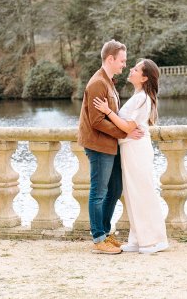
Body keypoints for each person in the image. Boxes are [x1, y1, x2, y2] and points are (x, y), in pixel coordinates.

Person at [93, 58, 169, 254]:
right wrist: (125, 130)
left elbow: (128, 126)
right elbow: (127, 128)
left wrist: (108, 111)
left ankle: (155, 241)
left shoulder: (143, 98)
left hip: (137, 149)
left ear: (144, 77)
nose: (131, 70)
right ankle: (137, 238)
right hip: (129, 148)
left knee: (143, 193)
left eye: (135, 69)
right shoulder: (138, 96)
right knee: (132, 194)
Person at [78, 40, 144, 255]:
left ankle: (105, 233)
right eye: (122, 61)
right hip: (98, 145)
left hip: (111, 145)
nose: (125, 65)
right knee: (98, 192)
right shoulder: (98, 83)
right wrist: (125, 133)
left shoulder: (108, 81)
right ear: (110, 59)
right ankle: (99, 238)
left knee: (115, 189)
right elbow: (97, 122)